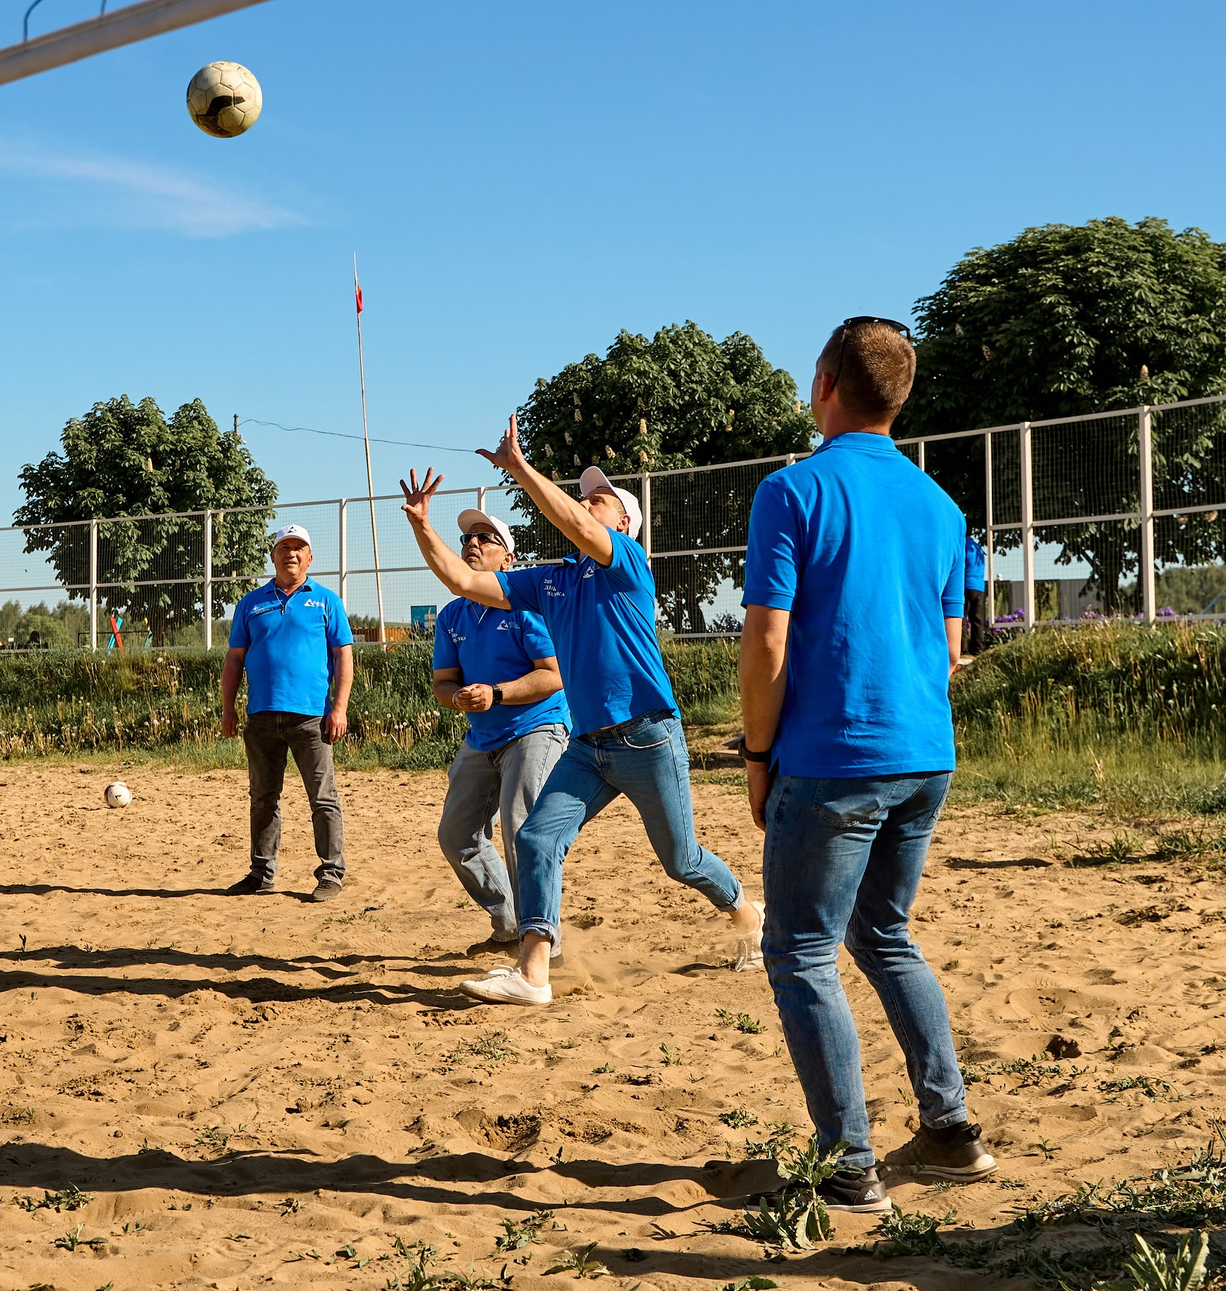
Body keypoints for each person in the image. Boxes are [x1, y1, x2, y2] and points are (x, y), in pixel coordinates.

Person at [737, 316, 990, 1218]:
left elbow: (766, 639)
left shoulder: (792, 489)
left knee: (801, 948)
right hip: (926, 749)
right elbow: (952, 641)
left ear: (828, 384)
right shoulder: (941, 505)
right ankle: (951, 1127)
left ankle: (848, 1164)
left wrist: (757, 754)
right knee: (883, 933)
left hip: (835, 754)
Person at [400, 438, 760, 1008]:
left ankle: (747, 912)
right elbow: (462, 581)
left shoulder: (626, 563)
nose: (589, 500)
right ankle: (534, 973)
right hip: (588, 745)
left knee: (682, 860)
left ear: (625, 524)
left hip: (646, 736)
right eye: (587, 495)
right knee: (537, 838)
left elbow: (571, 520)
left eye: (602, 498)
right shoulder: (552, 580)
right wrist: (423, 525)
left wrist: (521, 467)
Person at [421, 508, 567, 951]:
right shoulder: (452, 616)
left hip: (536, 727)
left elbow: (554, 674)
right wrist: (458, 697)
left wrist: (497, 694)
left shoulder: (527, 610)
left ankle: (542, 945)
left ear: (507, 559)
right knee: (455, 835)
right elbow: (442, 684)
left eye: (486, 538)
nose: (472, 543)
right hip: (483, 736)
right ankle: (509, 926)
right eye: (468, 538)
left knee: (522, 830)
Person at [218, 525, 355, 902]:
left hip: (311, 716)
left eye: (299, 548)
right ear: (273, 556)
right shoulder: (251, 603)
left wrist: (339, 708)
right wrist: (228, 709)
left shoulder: (326, 601)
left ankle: (331, 873)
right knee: (262, 798)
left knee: (322, 798)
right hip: (261, 715)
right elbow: (234, 659)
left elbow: (344, 655)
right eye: (284, 548)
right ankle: (261, 873)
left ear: (310, 557)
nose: (291, 554)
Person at [961, 529, 992, 655]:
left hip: (965, 585)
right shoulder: (977, 547)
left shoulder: (962, 546)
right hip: (979, 587)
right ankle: (978, 649)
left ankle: (962, 649)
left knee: (961, 619)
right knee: (977, 620)